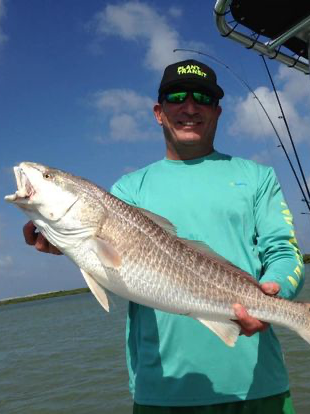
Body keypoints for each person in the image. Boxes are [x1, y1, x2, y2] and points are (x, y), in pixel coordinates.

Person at [24, 59, 304, 413]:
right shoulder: (127, 190)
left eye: (202, 98)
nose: (189, 107)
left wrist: (275, 291)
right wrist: (62, 243)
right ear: (159, 112)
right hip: (161, 392)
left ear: (217, 112)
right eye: (176, 97)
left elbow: (284, 251)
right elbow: (109, 259)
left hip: (259, 386)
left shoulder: (258, 177)